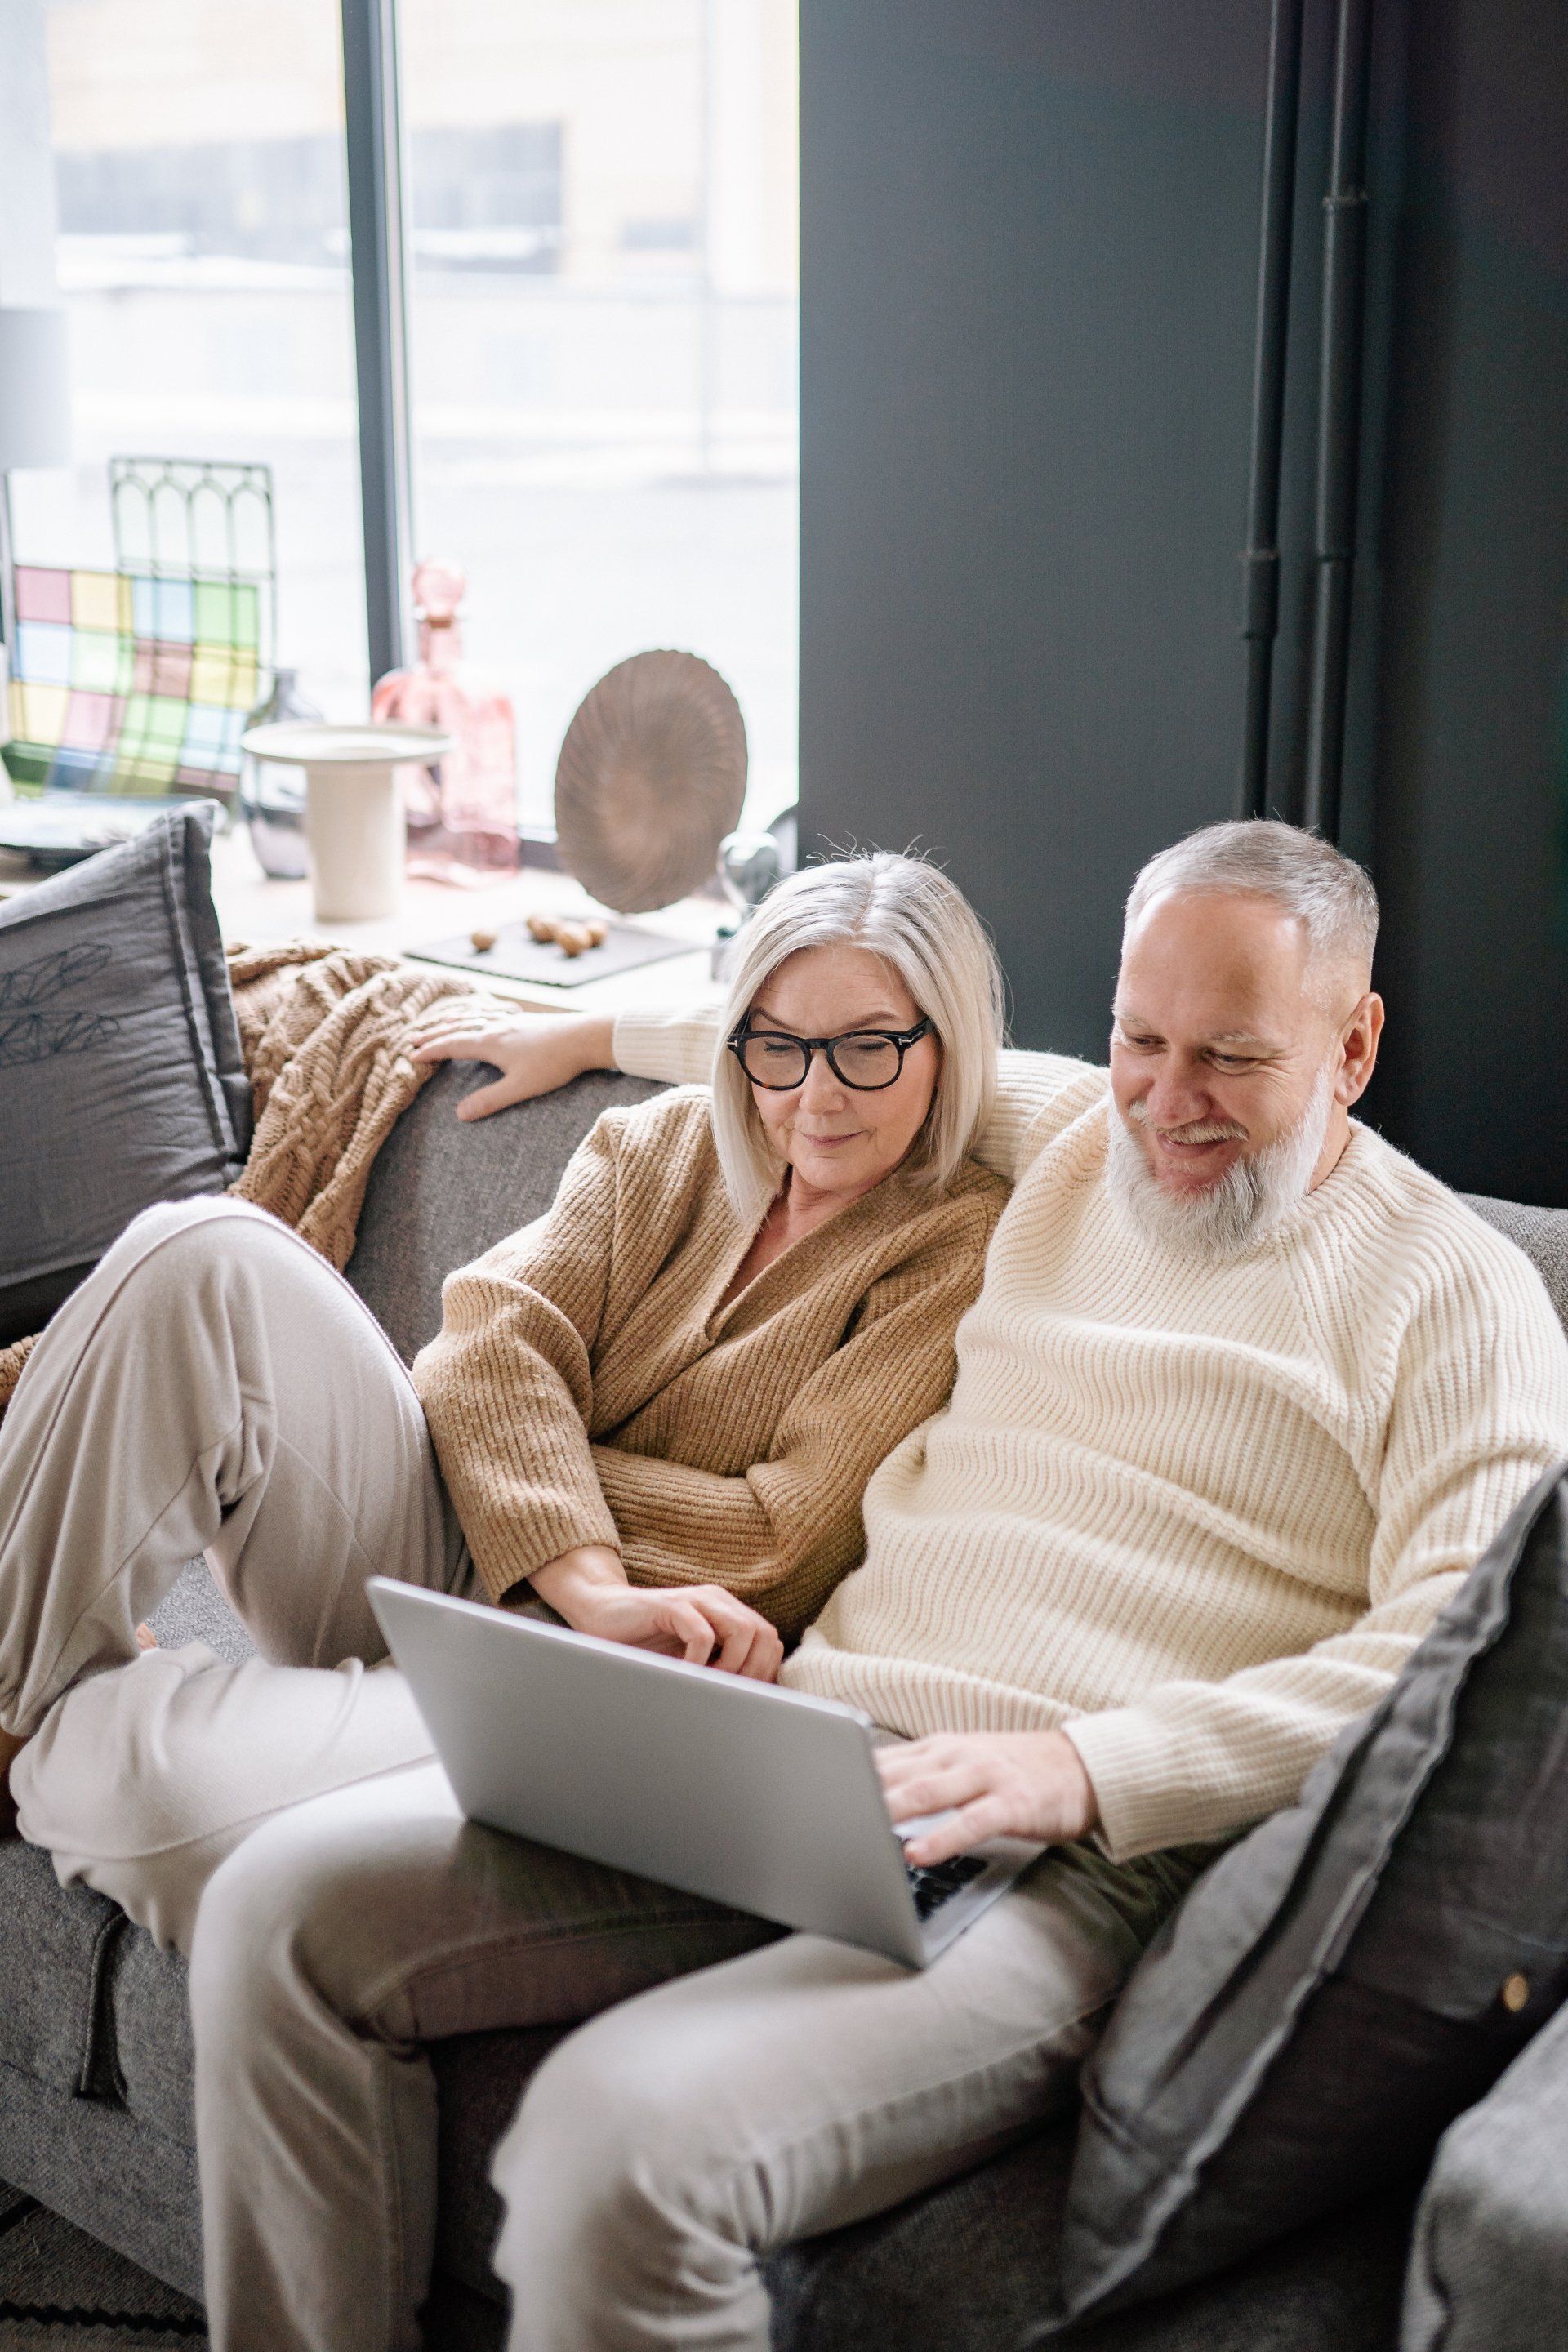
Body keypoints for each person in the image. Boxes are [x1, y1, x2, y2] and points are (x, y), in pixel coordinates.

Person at [149, 817, 1567, 2352]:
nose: (1169, 1103)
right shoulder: (1082, 1135)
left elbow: (1456, 1669)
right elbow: (847, 1028)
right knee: (273, 1916)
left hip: (1071, 1866)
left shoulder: (1457, 1297)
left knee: (614, 2146)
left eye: (1231, 1057)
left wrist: (1085, 1767)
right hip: (802, 1755)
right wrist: (589, 1024)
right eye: (1137, 1037)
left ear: (1353, 1045)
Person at [0, 849, 1008, 1951]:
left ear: (945, 1047)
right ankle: (18, 1695)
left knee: (132, 1780)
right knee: (199, 1248)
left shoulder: (955, 1246)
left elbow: (777, 1540)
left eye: (868, 1049)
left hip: (590, 1678)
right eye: (779, 1047)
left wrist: (544, 1489)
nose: (814, 1097)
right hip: (437, 1553)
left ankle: (46, 1722)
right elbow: (479, 1340)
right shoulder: (659, 1143)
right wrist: (591, 1573)